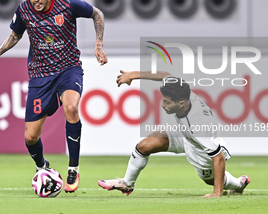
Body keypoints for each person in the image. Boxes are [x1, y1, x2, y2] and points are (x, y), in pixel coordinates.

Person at [0, 0, 107, 193]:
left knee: (71, 108)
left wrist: (99, 44)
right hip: (40, 75)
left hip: (69, 68)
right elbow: (16, 34)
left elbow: (97, 14)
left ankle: (73, 169)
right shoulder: (24, 11)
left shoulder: (67, 4)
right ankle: (42, 167)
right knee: (30, 137)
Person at [98, 70, 250, 197]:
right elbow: (165, 75)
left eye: (167, 102)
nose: (163, 104)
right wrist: (133, 75)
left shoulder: (198, 124)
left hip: (201, 150)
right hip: (182, 133)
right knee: (144, 146)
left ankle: (239, 183)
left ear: (181, 104)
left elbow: (218, 158)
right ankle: (127, 183)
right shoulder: (181, 91)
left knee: (211, 180)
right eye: (163, 100)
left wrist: (216, 194)